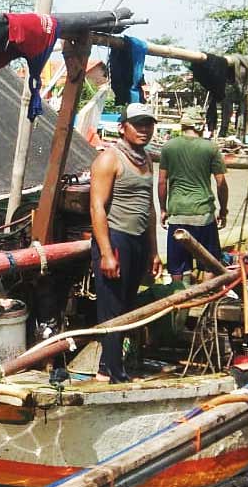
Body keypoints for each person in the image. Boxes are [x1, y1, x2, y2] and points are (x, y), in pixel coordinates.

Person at [90, 103, 162, 383]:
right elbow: (97, 207)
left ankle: (109, 367)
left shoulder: (146, 159)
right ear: (123, 127)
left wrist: (154, 250)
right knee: (112, 308)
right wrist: (107, 253)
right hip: (116, 239)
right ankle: (112, 373)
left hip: (139, 240)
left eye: (148, 124)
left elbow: (150, 208)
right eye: (138, 124)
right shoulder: (109, 159)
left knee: (128, 306)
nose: (144, 130)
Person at [158, 108, 229, 283]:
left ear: (182, 124)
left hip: (177, 216)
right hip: (203, 215)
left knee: (177, 266)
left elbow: (161, 182)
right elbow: (221, 183)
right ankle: (206, 302)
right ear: (201, 124)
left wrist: (163, 209)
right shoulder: (210, 148)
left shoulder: (168, 147)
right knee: (209, 263)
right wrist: (223, 210)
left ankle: (180, 304)